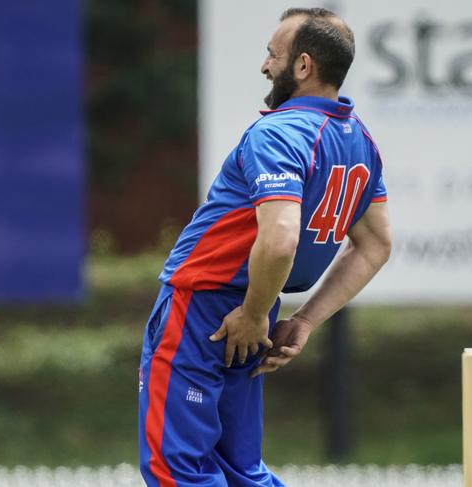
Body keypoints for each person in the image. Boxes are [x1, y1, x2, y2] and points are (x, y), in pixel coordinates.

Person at [138, 7, 392, 487]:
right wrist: (302, 320)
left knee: (176, 469)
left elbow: (279, 240)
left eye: (272, 54)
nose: (264, 66)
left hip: (208, 307)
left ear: (303, 66)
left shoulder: (279, 131)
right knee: (239, 469)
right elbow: (376, 245)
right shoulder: (361, 140)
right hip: (253, 309)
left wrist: (255, 313)